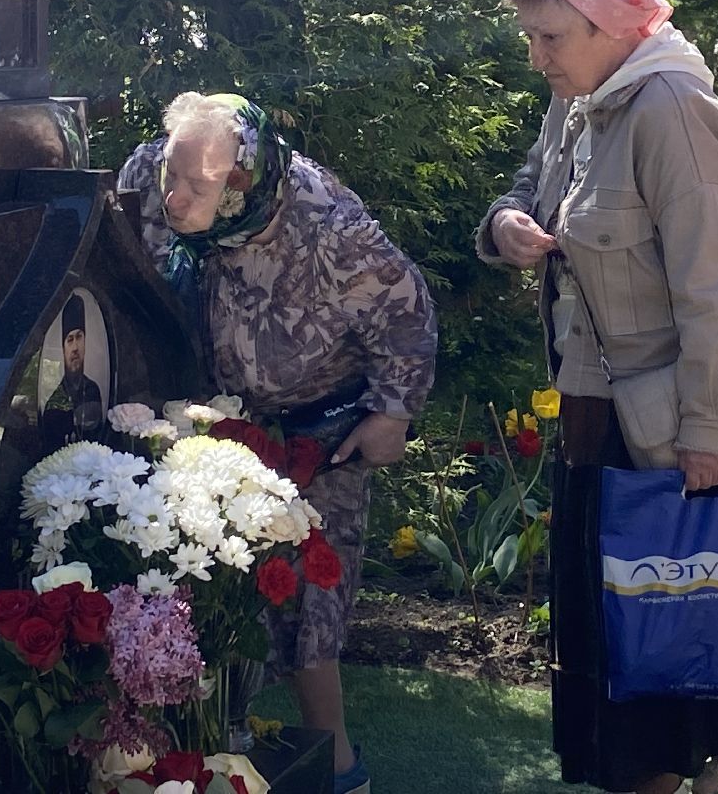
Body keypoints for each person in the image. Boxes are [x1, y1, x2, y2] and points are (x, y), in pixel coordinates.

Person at [476, 0, 718, 794]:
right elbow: (531, 186)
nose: (537, 58)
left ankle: (712, 744)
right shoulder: (579, 99)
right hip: (598, 414)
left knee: (665, 651)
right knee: (623, 646)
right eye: (530, 39)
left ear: (612, 26)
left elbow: (714, 291)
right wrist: (506, 222)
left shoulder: (672, 110)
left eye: (550, 38)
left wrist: (707, 435)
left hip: (672, 435)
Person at [119, 92, 437, 794]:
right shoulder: (149, 172)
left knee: (305, 602)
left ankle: (337, 767)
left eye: (196, 187)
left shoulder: (329, 225)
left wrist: (393, 414)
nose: (172, 198)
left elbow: (407, 314)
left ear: (241, 185)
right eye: (172, 174)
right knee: (196, 588)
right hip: (203, 422)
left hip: (315, 434)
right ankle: (200, 757)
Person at [41, 294, 104, 442]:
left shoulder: (92, 390)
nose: (75, 347)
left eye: (79, 337)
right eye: (70, 339)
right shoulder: (54, 398)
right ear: (63, 348)